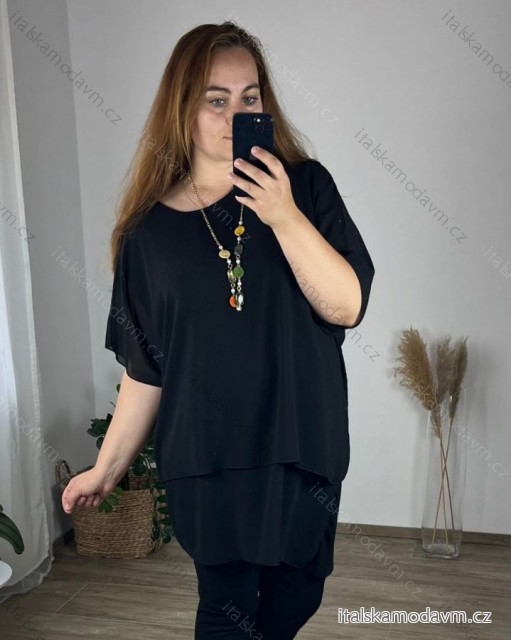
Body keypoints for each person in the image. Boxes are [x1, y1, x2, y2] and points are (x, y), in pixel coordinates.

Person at [61, 20, 375, 640]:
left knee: (298, 596)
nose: (236, 115)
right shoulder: (147, 236)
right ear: (182, 108)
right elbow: (146, 371)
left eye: (249, 97)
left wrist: (282, 215)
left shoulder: (306, 187)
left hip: (300, 442)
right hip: (207, 455)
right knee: (227, 611)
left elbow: (346, 306)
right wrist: (106, 468)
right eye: (216, 99)